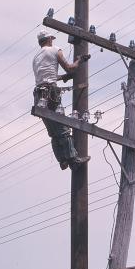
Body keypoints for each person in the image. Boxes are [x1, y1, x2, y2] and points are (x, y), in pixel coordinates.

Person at [32, 31, 91, 171]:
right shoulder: (54, 50)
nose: (52, 41)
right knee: (63, 129)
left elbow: (47, 76)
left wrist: (62, 77)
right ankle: (74, 159)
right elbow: (70, 68)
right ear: (49, 39)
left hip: (39, 95)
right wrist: (80, 60)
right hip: (50, 93)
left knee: (53, 132)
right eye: (52, 39)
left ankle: (62, 161)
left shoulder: (36, 57)